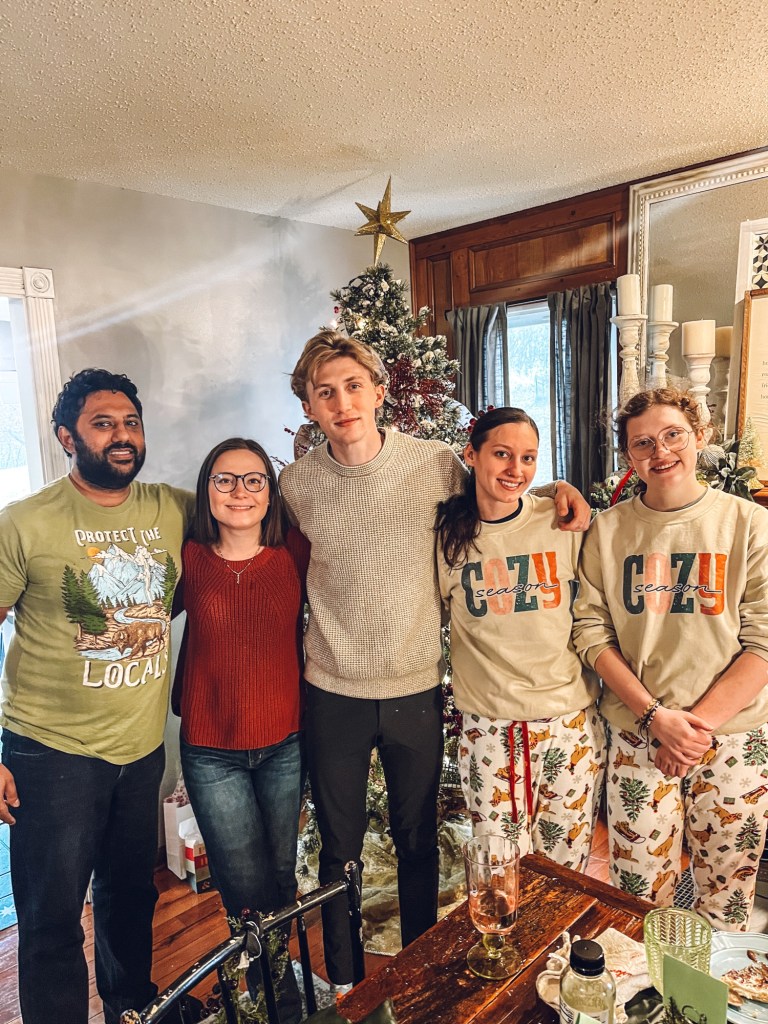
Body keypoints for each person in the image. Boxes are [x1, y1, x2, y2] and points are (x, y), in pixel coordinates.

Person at [279, 330, 591, 987]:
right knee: (339, 848)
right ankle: (345, 983)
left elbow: (502, 493)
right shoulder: (297, 484)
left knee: (416, 838)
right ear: (308, 406)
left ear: (379, 392)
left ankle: (419, 972)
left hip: (416, 687)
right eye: (325, 392)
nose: (342, 403)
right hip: (332, 690)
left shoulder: (435, 463)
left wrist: (559, 488)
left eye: (354, 386)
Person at [0, 368, 193, 1024]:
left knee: (129, 897)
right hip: (50, 755)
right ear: (66, 437)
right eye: (103, 424)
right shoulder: (25, 523)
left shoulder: (172, 508)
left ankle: (132, 1009)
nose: (122, 436)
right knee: (52, 921)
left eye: (130, 423)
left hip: (139, 752)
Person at [573, 387, 768, 929]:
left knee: (727, 899)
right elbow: (591, 632)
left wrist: (692, 731)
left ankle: (712, 983)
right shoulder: (608, 531)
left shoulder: (749, 524)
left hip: (732, 739)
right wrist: (657, 719)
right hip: (638, 735)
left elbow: (764, 643)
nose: (660, 452)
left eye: (673, 435)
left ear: (700, 436)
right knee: (635, 900)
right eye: (642, 443)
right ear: (628, 455)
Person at [172, 438, 309, 1023]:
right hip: (211, 750)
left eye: (254, 480)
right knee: (242, 883)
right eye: (224, 480)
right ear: (206, 489)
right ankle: (274, 996)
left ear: (270, 493)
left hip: (285, 741)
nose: (239, 492)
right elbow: (135, 613)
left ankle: (277, 990)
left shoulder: (294, 551)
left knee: (280, 875)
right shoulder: (187, 558)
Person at [436, 406, 606, 869]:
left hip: (568, 724)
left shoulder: (561, 521)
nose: (516, 469)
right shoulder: (445, 537)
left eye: (528, 458)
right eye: (502, 454)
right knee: (500, 869)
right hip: (491, 729)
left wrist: (558, 488)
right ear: (471, 455)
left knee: (566, 870)